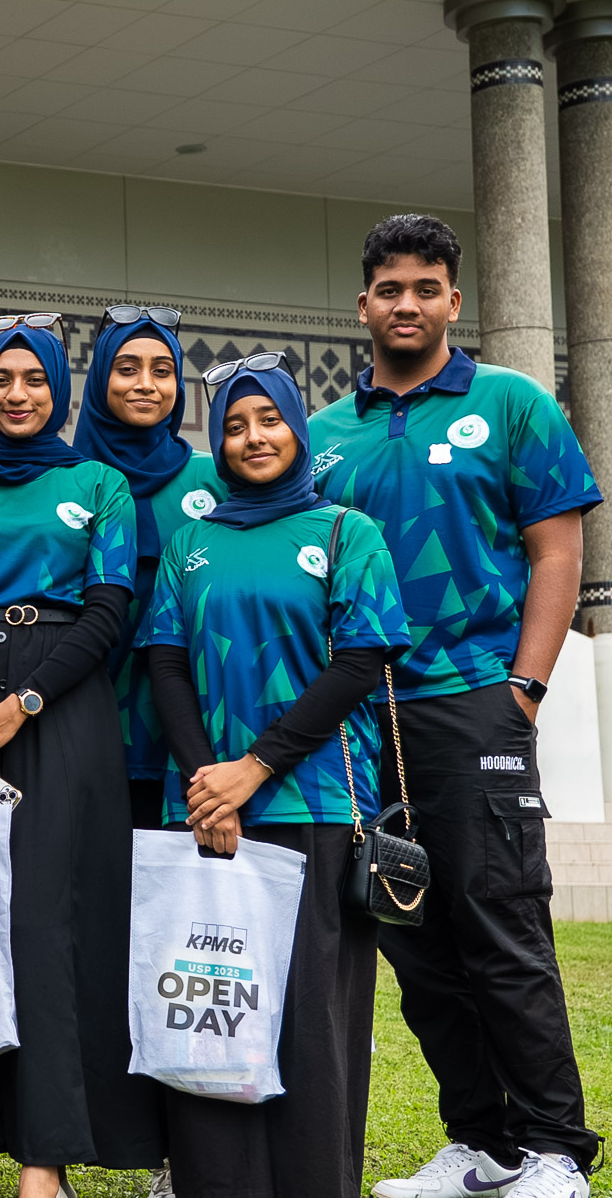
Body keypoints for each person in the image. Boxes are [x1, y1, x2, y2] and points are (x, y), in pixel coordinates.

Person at [310, 215, 603, 1198]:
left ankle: (555, 1150)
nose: (408, 304)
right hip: (362, 723)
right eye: (390, 289)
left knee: (500, 928)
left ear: (454, 301)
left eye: (426, 288)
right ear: (363, 304)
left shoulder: (512, 403)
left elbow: (557, 551)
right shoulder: (322, 437)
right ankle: (483, 1145)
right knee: (412, 938)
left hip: (475, 702)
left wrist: (524, 690)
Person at [0, 319, 164, 1197]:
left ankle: (43, 1162)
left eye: (34, 380)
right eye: (1, 379)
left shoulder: (99, 484)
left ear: (59, 388)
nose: (17, 394)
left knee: (50, 921)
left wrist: (13, 712)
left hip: (60, 711)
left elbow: (108, 613)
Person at [139, 357, 410, 1198]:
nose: (253, 437)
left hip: (313, 805)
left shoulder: (347, 533)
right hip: (207, 811)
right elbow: (165, 663)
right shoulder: (190, 543)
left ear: (297, 428)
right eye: (233, 425)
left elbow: (359, 663)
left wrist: (253, 769)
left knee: (309, 1022)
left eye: (269, 421)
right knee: (208, 1009)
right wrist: (208, 786)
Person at [72, 307, 225, 831]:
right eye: (127, 369)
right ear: (99, 379)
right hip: (83, 729)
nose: (146, 384)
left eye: (162, 371)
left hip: (195, 741)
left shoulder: (215, 478)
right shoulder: (67, 482)